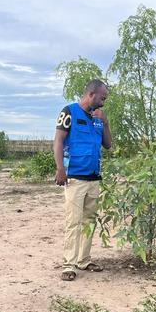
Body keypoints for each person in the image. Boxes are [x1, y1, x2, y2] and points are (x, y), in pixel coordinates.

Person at [53, 79, 112, 281]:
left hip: (94, 178)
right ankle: (69, 265)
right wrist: (60, 168)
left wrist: (105, 122)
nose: (103, 102)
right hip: (75, 177)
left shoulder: (97, 118)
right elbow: (58, 140)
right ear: (91, 94)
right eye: (102, 98)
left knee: (89, 221)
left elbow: (108, 144)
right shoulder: (69, 112)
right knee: (73, 221)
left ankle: (84, 260)